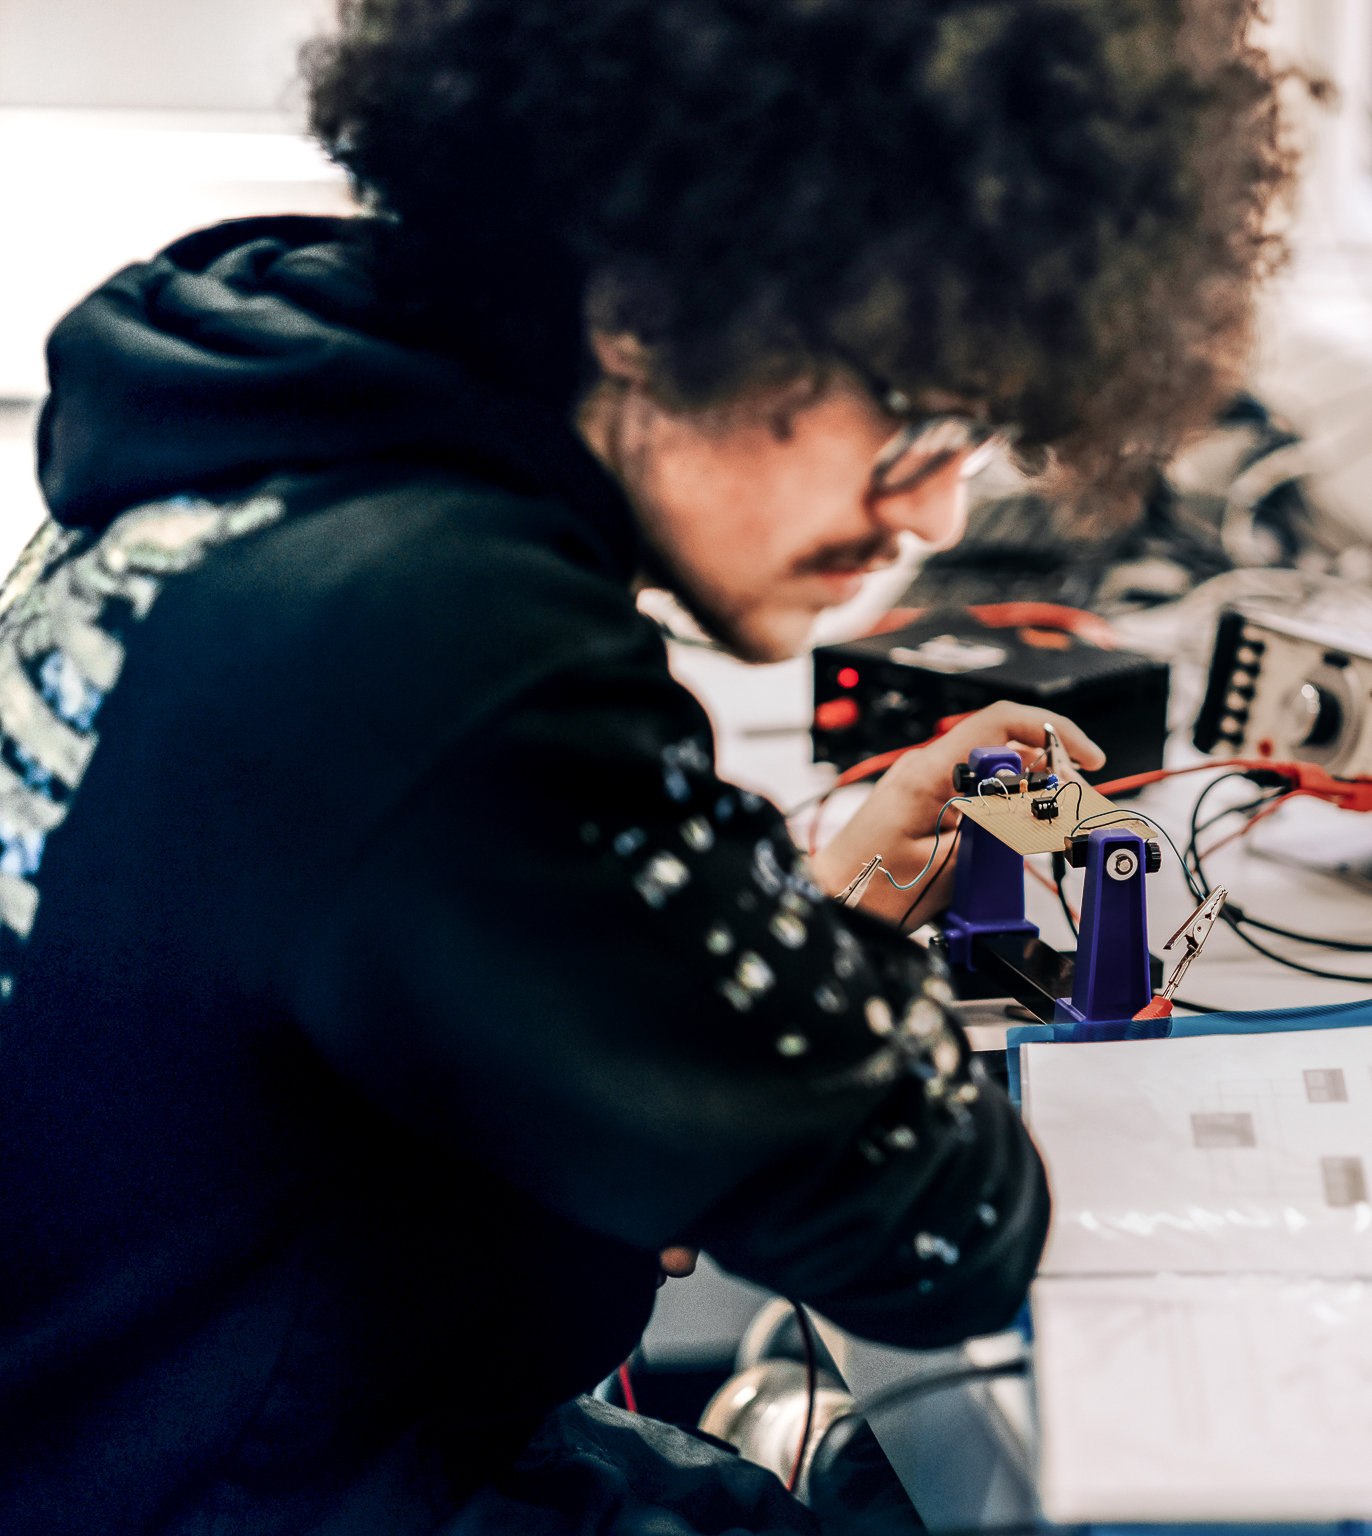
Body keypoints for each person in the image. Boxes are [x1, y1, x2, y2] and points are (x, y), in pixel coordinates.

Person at [0, 1, 1291, 1531]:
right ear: (662, 300)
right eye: (921, 414)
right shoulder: (452, 632)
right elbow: (940, 1225)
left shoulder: (255, 428)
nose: (938, 515)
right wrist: (777, 964)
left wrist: (799, 909)